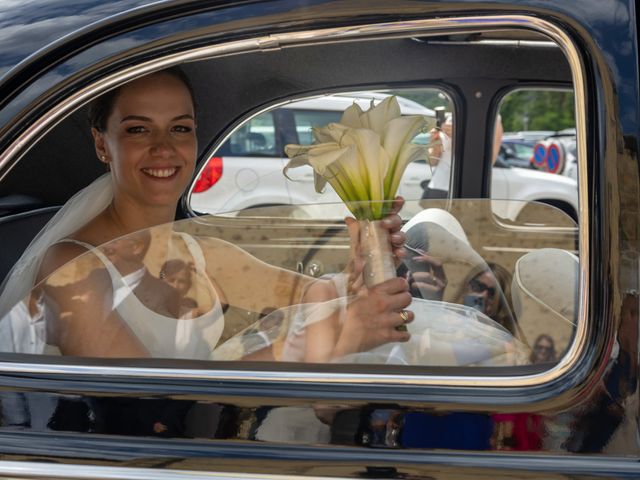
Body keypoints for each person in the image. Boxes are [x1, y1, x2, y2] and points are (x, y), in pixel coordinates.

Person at [0, 67, 413, 361]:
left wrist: (363, 266)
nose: (164, 148)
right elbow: (148, 413)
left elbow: (312, 298)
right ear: (102, 144)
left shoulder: (203, 254)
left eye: (180, 128)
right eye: (138, 129)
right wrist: (331, 339)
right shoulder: (73, 271)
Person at [422, 114, 503, 199]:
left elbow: (489, 161)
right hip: (437, 187)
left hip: (464, 190)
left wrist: (459, 136)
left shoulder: (492, 116)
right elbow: (432, 162)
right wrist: (434, 141)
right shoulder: (452, 116)